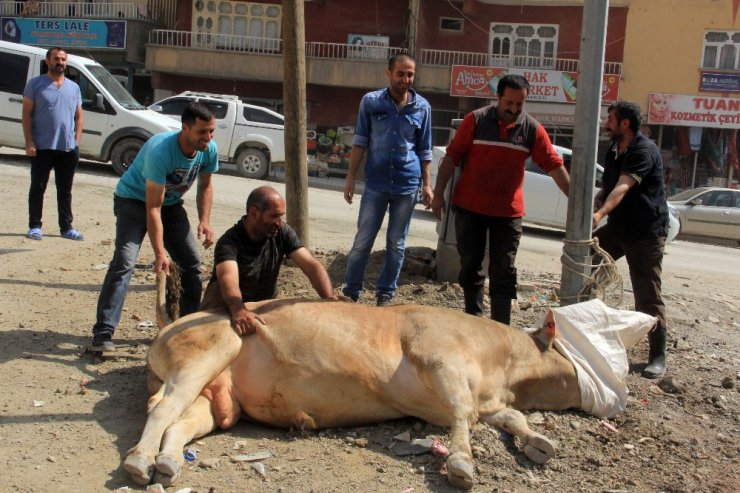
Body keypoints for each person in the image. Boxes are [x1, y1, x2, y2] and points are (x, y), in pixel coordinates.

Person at [431, 74, 570, 325]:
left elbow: (554, 165)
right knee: (471, 266)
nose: (514, 109)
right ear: (498, 97)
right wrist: (438, 193)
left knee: (503, 270)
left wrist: (575, 202)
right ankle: (474, 321)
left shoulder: (532, 130)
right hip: (469, 209)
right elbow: (451, 158)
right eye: (509, 103)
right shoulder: (476, 120)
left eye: (520, 104)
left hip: (508, 214)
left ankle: (500, 326)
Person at [89, 103, 219, 352]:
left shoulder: (208, 149)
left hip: (170, 206)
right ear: (185, 128)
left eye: (211, 131)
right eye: (203, 132)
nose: (208, 137)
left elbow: (206, 185)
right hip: (133, 201)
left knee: (192, 264)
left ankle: (186, 328)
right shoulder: (161, 151)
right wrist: (159, 252)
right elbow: (152, 209)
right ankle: (103, 333)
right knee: (125, 261)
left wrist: (205, 220)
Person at [342, 53, 433, 306]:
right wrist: (350, 178)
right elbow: (360, 142)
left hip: (407, 186)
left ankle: (385, 294)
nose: (406, 79)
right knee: (363, 241)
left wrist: (427, 184)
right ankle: (351, 292)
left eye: (410, 74)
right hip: (376, 185)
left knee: (396, 244)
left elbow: (425, 150)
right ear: (389, 73)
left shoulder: (422, 107)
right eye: (401, 73)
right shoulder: (370, 102)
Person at [591, 101, 669, 379]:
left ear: (624, 123)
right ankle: (585, 329)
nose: (606, 123)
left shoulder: (642, 150)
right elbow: (610, 184)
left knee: (647, 295)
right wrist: (600, 196)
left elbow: (624, 186)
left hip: (646, 232)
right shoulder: (613, 149)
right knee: (588, 262)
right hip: (620, 227)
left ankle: (658, 355)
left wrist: (599, 213)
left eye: (610, 119)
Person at [201, 186, 340, 336]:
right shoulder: (229, 243)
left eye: (281, 216)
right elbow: (228, 279)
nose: (279, 223)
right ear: (254, 213)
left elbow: (311, 266)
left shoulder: (282, 232)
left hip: (264, 303)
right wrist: (238, 309)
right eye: (274, 216)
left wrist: (329, 298)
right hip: (226, 305)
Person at [22, 46, 84, 242]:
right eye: (56, 59)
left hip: (67, 148)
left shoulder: (74, 87)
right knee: (38, 187)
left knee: (65, 190)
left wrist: (76, 143)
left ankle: (66, 227)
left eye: (63, 60)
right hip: (42, 146)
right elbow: (26, 115)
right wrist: (29, 142)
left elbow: (79, 117)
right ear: (47, 61)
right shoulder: (35, 84)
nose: (60, 63)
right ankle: (34, 226)